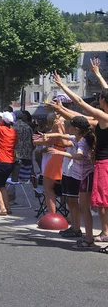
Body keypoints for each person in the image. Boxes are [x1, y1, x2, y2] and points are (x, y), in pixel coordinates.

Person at [52, 72, 108, 252]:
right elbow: (79, 115)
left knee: (102, 206)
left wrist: (62, 86)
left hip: (103, 165)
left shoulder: (105, 118)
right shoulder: (100, 119)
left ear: (102, 101)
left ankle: (93, 238)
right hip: (99, 166)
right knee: (98, 206)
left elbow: (80, 103)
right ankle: (92, 237)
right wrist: (62, 110)